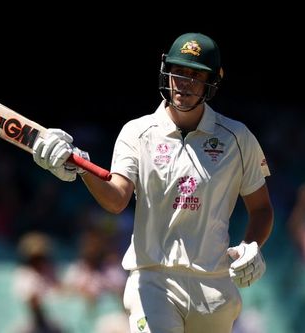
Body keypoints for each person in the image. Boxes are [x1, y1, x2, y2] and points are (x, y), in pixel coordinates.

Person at [32, 32, 274, 333]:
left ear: (212, 81)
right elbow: (117, 198)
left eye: (194, 75)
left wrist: (250, 245)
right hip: (152, 280)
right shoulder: (137, 132)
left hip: (214, 286)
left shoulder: (237, 138)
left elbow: (261, 208)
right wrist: (81, 167)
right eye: (178, 71)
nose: (183, 82)